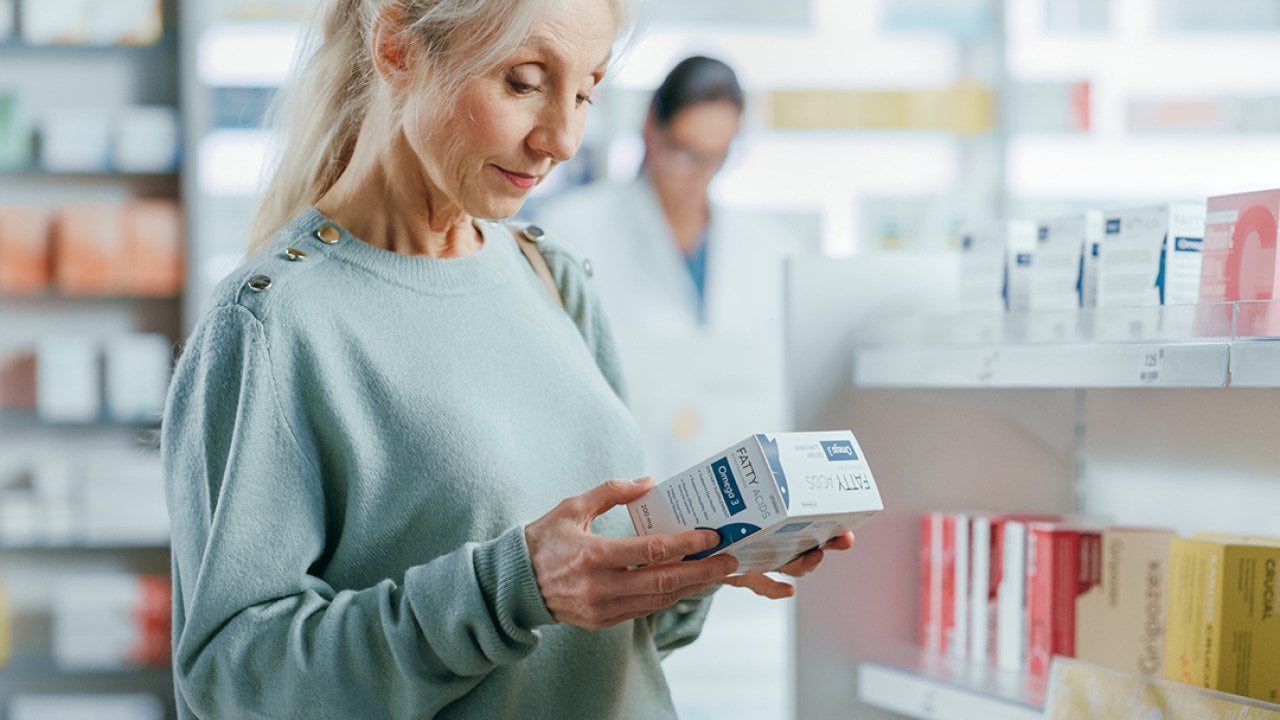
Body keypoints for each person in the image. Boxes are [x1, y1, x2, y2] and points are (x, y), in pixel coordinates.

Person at [162, 2, 853, 718]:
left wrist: (705, 557)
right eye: (524, 82)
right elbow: (232, 684)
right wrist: (511, 590)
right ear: (397, 45)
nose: (561, 138)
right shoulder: (271, 324)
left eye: (585, 92)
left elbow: (611, 645)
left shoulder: (550, 276)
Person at [533, 55, 804, 479]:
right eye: (684, 151)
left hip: (740, 496)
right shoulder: (573, 230)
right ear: (651, 130)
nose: (696, 175)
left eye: (715, 157)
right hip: (621, 490)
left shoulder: (768, 248)